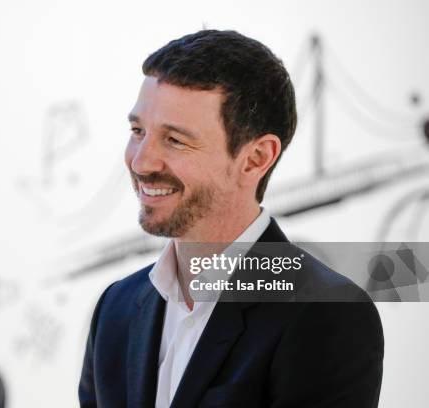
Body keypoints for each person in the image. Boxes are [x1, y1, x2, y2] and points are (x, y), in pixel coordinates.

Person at [79, 30, 383, 408]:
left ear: (256, 158)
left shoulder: (327, 314)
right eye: (138, 131)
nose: (141, 161)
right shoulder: (116, 307)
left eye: (175, 140)